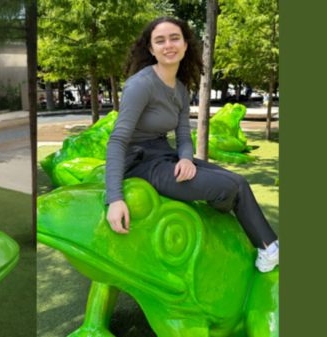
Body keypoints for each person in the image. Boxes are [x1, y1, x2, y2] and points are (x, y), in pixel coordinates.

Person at [105, 17, 279, 272]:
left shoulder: (181, 90)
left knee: (239, 182)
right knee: (228, 188)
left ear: (186, 45)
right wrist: (114, 198)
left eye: (174, 38)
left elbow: (184, 136)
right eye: (160, 41)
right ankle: (269, 248)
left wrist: (186, 158)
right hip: (140, 164)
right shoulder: (141, 84)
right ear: (151, 49)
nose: (168, 45)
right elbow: (117, 140)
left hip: (165, 156)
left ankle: (269, 247)